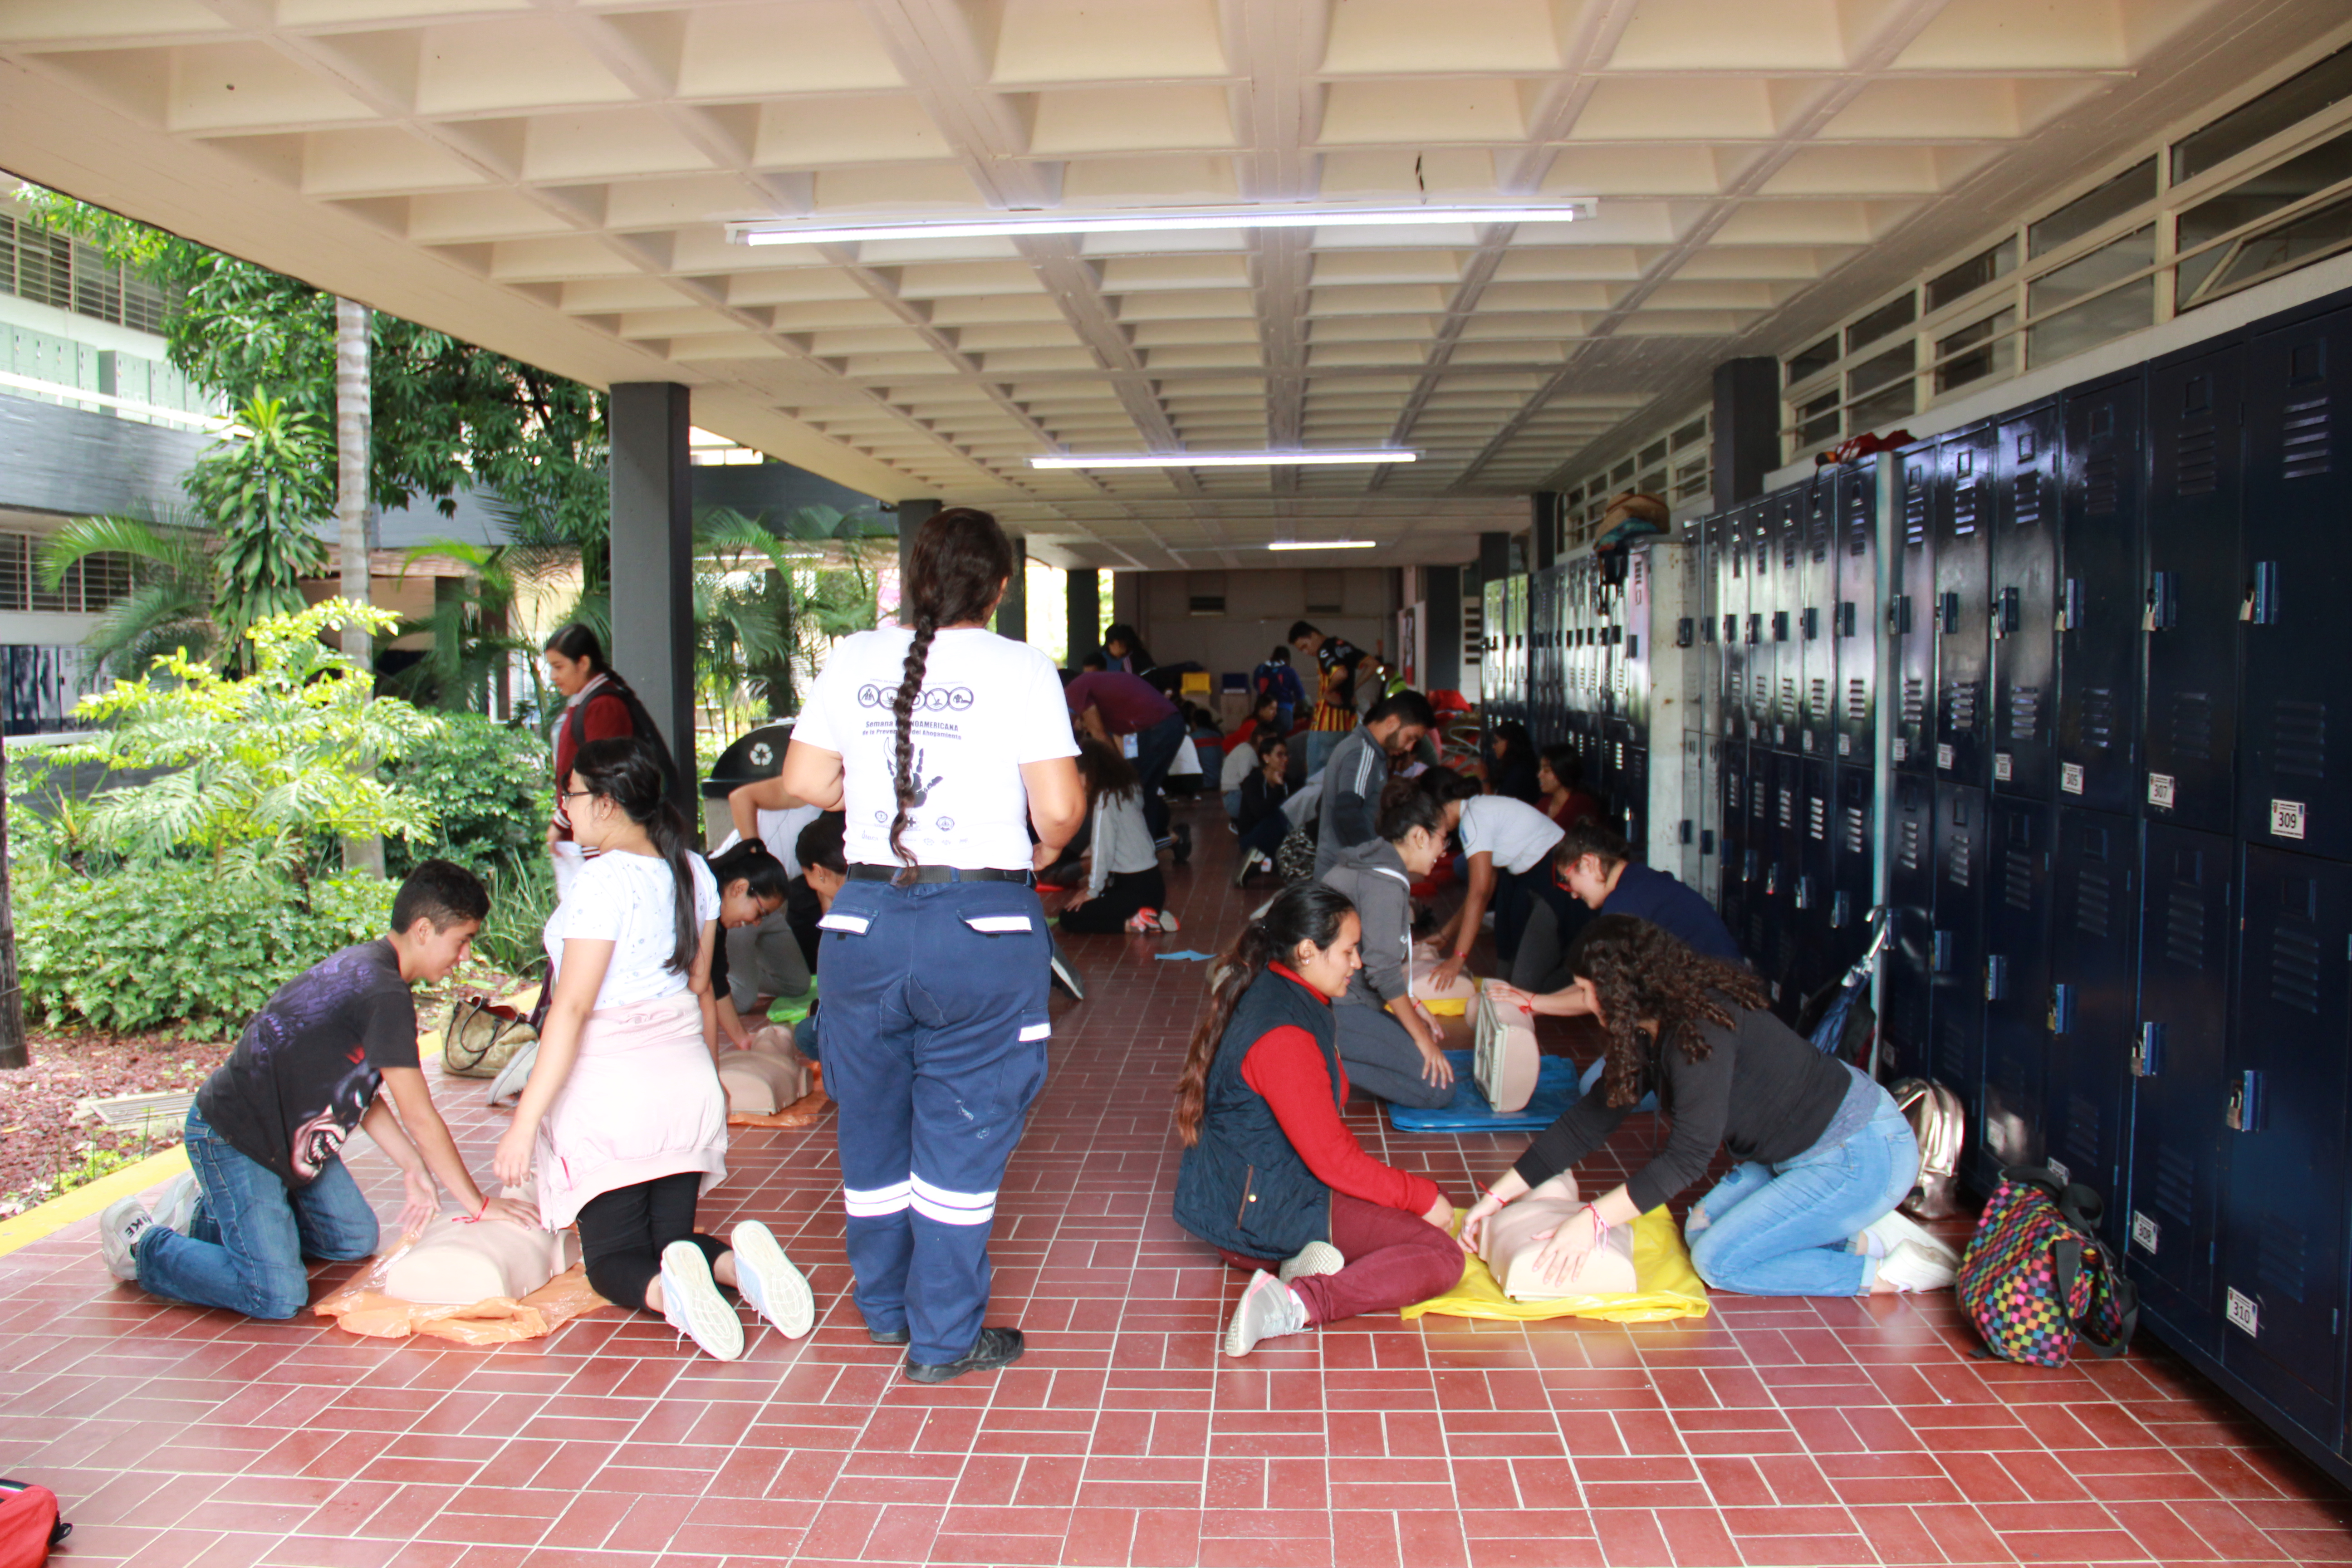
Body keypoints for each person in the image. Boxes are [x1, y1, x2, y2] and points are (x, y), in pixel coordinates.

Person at [780, 505, 1087, 1383]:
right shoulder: (1022, 667)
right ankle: (942, 1339)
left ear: (913, 582)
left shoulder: (851, 656)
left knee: (871, 1126)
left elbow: (805, 780)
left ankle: (883, 1312)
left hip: (863, 924)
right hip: (977, 931)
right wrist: (1048, 848)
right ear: (997, 588)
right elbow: (1060, 809)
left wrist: (872, 793)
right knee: (959, 1133)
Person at [491, 737, 812, 1361]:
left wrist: (524, 1122)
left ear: (609, 803)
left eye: (575, 795)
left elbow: (574, 1008)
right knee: (673, 1237)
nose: (567, 806)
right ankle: (736, 1270)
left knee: (610, 1260)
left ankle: (676, 1298)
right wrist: (713, 1074)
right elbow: (701, 985)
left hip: (613, 1086)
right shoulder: (691, 869)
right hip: (683, 1072)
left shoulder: (601, 882)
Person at [101, 861, 534, 1319]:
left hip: (287, 1143)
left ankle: (206, 1216)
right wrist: (478, 1203)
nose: (465, 955)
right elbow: (422, 1116)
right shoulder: (382, 993)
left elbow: (359, 1090)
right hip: (235, 1139)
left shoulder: (373, 969)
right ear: (424, 929)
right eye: (462, 940)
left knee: (353, 1240)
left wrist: (412, 1166)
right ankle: (144, 1245)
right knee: (275, 1295)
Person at [1457, 917, 1956, 1298]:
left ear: (1625, 989)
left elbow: (1687, 1158)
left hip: (1859, 1153)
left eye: (1589, 989)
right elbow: (1587, 1122)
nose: (1585, 1000)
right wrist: (1494, 1199)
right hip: (1796, 1155)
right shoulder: (1649, 1029)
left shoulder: (1697, 1032)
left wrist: (1591, 1221)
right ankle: (1856, 1230)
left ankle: (1892, 1274)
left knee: (1721, 1262)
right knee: (1699, 1229)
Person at [1172, 883, 1467, 1357]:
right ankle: (1297, 1303)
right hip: (1259, 1215)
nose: (1358, 963)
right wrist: (1424, 1196)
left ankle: (1299, 1263)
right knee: (1441, 1255)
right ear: (1308, 951)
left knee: (1398, 1215)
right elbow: (1333, 1161)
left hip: (1261, 1195)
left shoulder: (1286, 990)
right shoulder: (1284, 1031)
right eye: (1349, 951)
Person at [1317, 781, 1457, 1109]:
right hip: (1338, 1008)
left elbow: (1379, 962)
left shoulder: (1373, 864)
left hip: (1335, 1003)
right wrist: (1424, 1041)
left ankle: (1322, 1053)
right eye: (1443, 840)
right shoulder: (1385, 885)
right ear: (1420, 837)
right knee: (1439, 1089)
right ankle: (1315, 1061)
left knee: (1416, 1043)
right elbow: (1383, 971)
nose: (1444, 851)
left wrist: (1413, 1005)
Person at [1498, 820, 1744, 1002]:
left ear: (1589, 863)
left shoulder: (1624, 903)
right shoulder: (1639, 881)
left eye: (1567, 880)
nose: (1571, 893)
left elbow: (1602, 992)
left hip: (1717, 999)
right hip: (1724, 988)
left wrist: (1531, 1002)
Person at [543, 624, 677, 899]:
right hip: (587, 835)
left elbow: (600, 776)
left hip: (596, 840)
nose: (553, 676)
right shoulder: (590, 702)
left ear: (583, 663)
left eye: (559, 667)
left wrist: (561, 823)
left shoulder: (602, 706)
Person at [1426, 772, 1564, 989]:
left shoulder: (1473, 818)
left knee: (1525, 980)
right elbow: (1484, 889)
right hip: (1522, 877)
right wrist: (1446, 934)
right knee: (1506, 956)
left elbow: (1479, 894)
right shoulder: (1474, 812)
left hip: (1552, 875)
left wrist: (1457, 959)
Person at [718, 776, 825, 1008]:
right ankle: (713, 977)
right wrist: (755, 856)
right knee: (740, 1001)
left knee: (796, 985)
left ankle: (729, 971)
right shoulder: (807, 786)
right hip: (743, 897)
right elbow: (741, 796)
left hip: (769, 904)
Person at [1063, 666, 1189, 853]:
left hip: (1156, 728)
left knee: (1129, 791)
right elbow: (1119, 741)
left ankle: (1135, 851)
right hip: (1171, 725)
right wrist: (1122, 769)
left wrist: (1116, 774)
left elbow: (1099, 735)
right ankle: (1145, 848)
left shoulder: (1074, 690)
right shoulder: (1106, 695)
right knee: (1144, 791)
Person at [1313, 689, 1437, 877]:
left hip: (1343, 870)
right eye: (1410, 738)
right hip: (1346, 874)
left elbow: (1326, 804)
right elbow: (1347, 811)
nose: (1410, 748)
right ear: (1392, 722)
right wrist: (1376, 864)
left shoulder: (1366, 752)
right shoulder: (1363, 753)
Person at [1060, 737, 1175, 936]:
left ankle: (1136, 924)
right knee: (1092, 906)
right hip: (1153, 887)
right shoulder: (1127, 790)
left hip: (1135, 891)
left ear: (1089, 773)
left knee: (1068, 917)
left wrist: (1092, 891)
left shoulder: (1105, 800)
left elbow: (1102, 850)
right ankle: (1147, 917)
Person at [698, 839, 791, 1053]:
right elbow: (707, 986)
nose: (757, 923)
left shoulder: (716, 914)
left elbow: (716, 978)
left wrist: (742, 1040)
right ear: (739, 888)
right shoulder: (698, 900)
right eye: (760, 913)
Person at [1290, 620, 1369, 777]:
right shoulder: (1343, 646)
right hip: (1349, 722)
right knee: (1345, 774)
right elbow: (1372, 664)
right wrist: (1354, 688)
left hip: (1327, 722)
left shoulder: (1324, 651)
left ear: (1313, 636)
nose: (1306, 652)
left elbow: (1341, 673)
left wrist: (1328, 691)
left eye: (1305, 647)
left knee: (1317, 778)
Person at [1232, 735, 1295, 887]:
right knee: (1282, 813)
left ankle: (1263, 865)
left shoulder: (1289, 781)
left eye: (1286, 755)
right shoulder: (1253, 782)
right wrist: (1278, 789)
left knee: (1292, 866)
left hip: (1277, 840)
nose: (1285, 760)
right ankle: (1263, 861)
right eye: (1280, 755)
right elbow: (1259, 812)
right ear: (1266, 757)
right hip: (1253, 840)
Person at [1222, 696, 1280, 818]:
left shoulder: (1252, 749)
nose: (1275, 713)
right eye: (1271, 709)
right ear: (1260, 739)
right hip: (1235, 797)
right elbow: (1248, 783)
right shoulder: (1248, 752)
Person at [1536, 743, 1605, 830]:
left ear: (1562, 771)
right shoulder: (1543, 804)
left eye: (1547, 771)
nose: (1540, 775)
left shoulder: (1581, 805)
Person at [1252, 645, 1308, 736]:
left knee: (1265, 740)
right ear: (1287, 659)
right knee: (1286, 740)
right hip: (1284, 711)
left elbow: (1256, 685)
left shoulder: (1261, 669)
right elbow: (1301, 694)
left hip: (1263, 711)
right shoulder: (1289, 671)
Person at [1486, 721, 1540, 804]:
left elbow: (1499, 805)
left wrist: (1484, 779)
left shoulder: (1519, 771)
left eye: (1496, 742)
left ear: (1509, 743)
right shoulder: (1513, 766)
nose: (1494, 747)